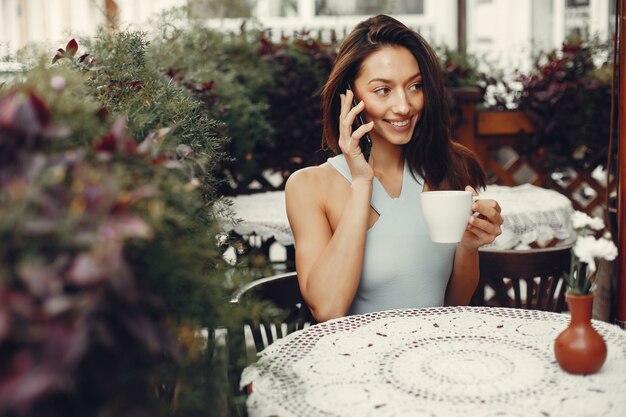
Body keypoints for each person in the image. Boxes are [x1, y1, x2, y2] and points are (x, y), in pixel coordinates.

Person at [285, 14, 503, 322]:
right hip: (355, 362)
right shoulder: (308, 187)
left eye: (415, 86)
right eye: (383, 90)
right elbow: (327, 308)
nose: (404, 106)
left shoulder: (450, 168)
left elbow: (455, 303)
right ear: (351, 96)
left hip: (433, 355)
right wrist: (361, 183)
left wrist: (468, 248)